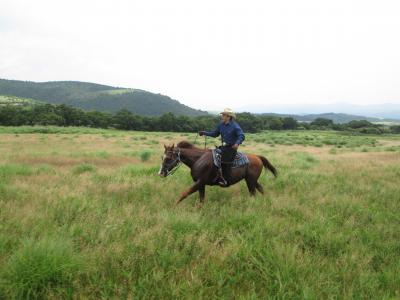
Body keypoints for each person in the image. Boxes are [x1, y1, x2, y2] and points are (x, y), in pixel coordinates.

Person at [199, 108, 245, 187]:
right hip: (223, 147)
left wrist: (237, 143)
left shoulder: (235, 126)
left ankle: (225, 180)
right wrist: (204, 133)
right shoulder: (221, 124)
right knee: (212, 157)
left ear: (228, 116)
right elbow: (215, 134)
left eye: (223, 115)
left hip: (231, 148)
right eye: (222, 115)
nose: (222, 116)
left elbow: (242, 135)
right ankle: (213, 176)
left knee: (224, 162)